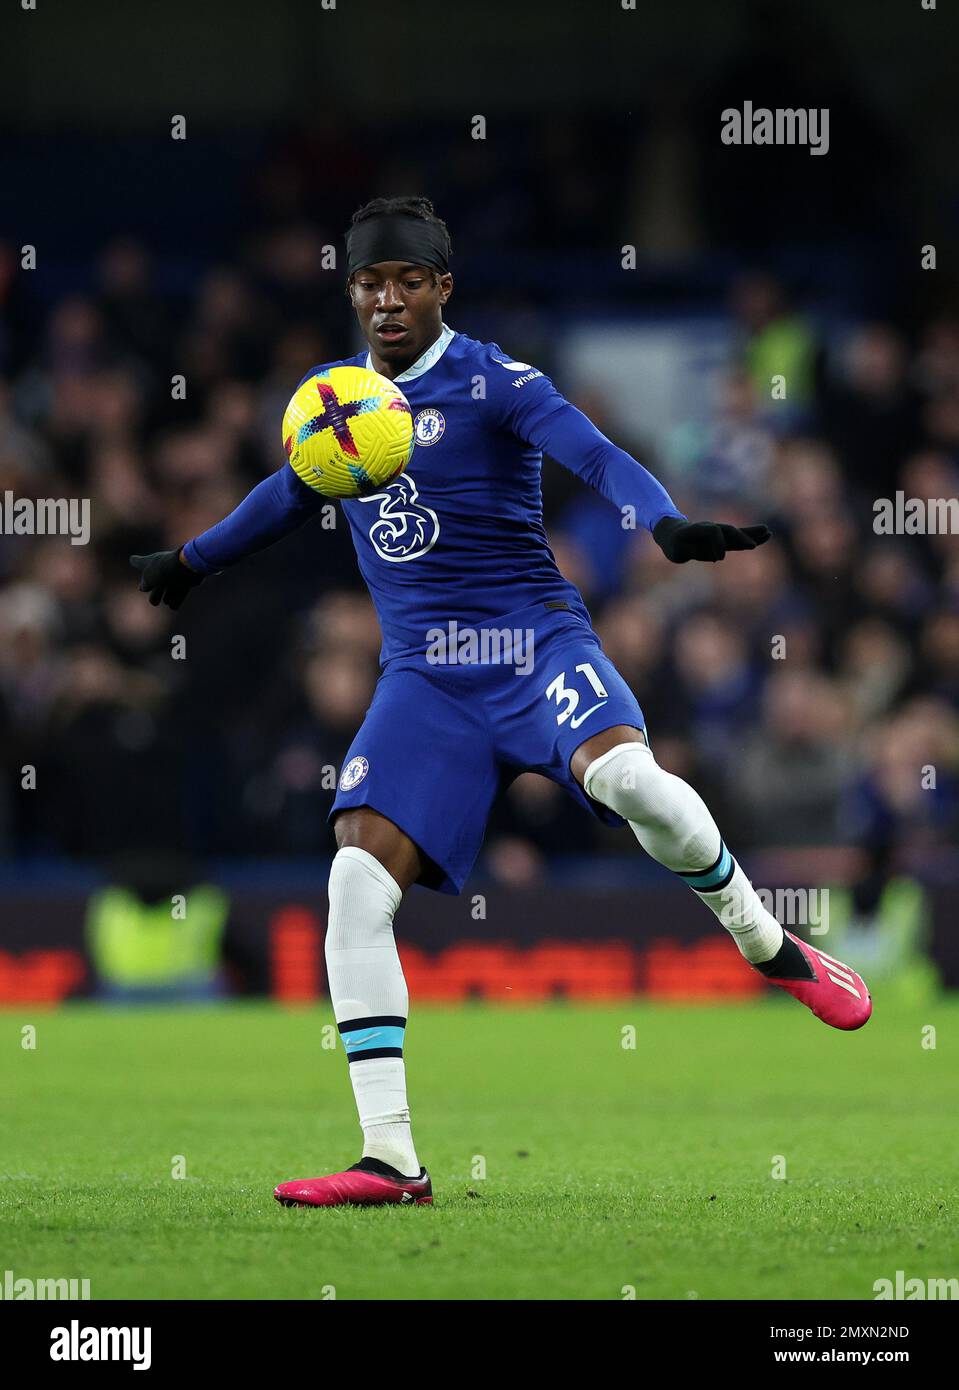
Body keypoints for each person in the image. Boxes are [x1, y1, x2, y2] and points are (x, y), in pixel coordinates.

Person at [132, 196, 871, 1210]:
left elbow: (596, 455)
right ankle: (390, 1159)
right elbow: (290, 492)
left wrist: (661, 523)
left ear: (442, 287)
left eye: (405, 281)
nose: (384, 301)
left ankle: (763, 941)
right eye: (366, 283)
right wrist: (191, 558)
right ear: (350, 291)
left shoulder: (495, 381)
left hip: (531, 647)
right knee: (352, 885)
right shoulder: (335, 403)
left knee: (631, 781)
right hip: (425, 678)